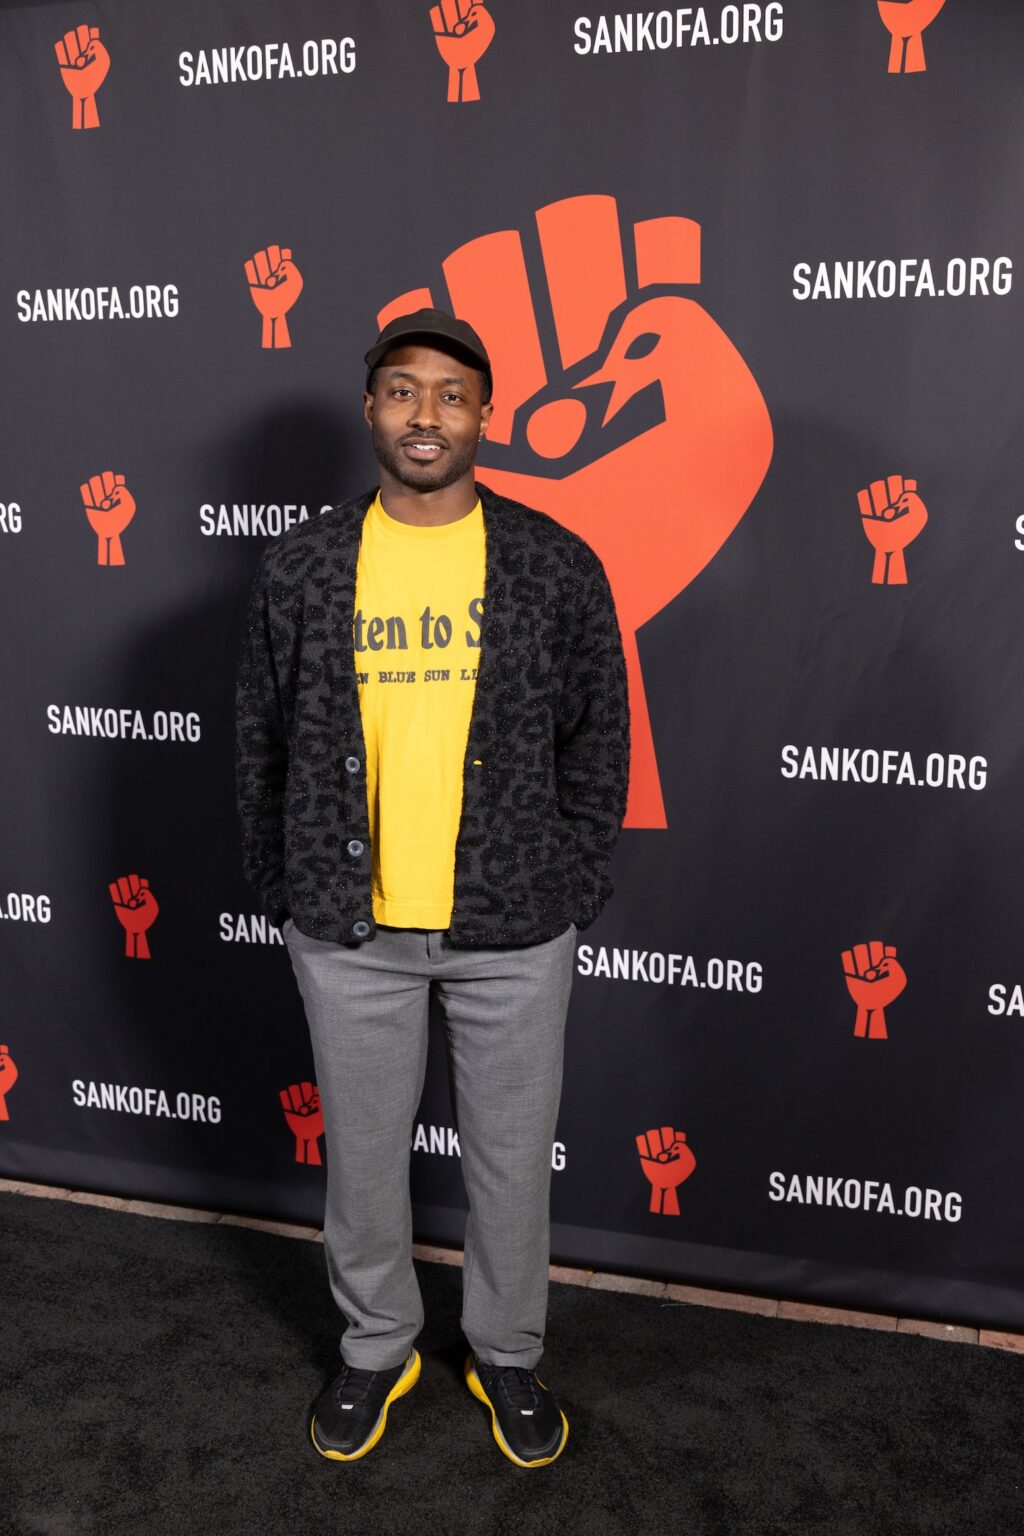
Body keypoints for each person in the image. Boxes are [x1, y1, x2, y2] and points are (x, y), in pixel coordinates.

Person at [235, 307, 629, 1468]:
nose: (426, 414)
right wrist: (284, 886)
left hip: (512, 927)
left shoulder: (555, 562)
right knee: (362, 1165)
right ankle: (376, 1349)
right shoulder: (303, 564)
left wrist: (571, 881)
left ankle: (505, 1353)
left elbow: (598, 740)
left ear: (484, 417)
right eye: (403, 390)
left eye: (452, 395)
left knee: (510, 1164)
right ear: (371, 408)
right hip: (348, 930)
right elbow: (259, 739)